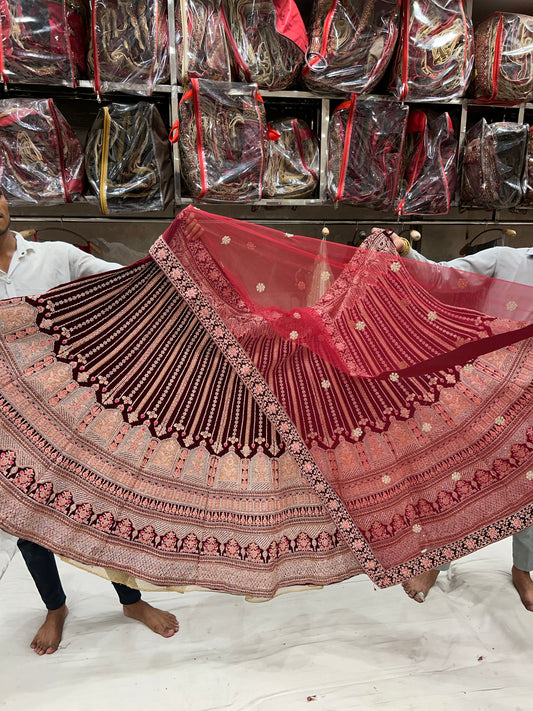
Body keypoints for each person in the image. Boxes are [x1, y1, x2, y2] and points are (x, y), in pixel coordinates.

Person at [0, 190, 179, 654]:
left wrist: (181, 257)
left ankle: (131, 600)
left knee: (102, 503)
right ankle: (55, 607)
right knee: (24, 514)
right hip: (8, 418)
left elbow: (125, 283)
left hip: (74, 408)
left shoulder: (54, 256)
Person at [388, 228, 533, 611]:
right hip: (486, 395)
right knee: (460, 477)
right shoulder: (507, 261)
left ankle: (524, 568)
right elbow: (442, 276)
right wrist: (406, 250)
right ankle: (439, 560)